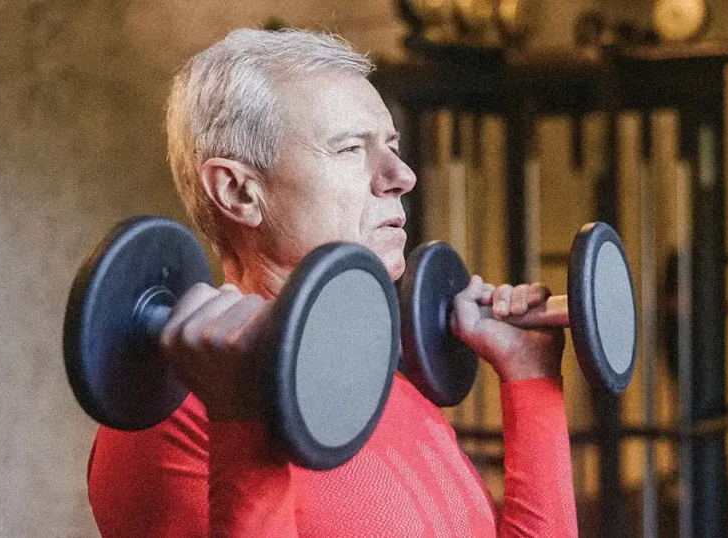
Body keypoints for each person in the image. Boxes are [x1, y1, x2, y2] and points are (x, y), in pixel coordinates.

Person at [87, 28, 578, 537]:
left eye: (391, 145)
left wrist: (530, 377)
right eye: (348, 149)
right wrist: (241, 421)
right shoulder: (171, 422)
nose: (401, 174)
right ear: (238, 192)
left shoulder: (381, 387)